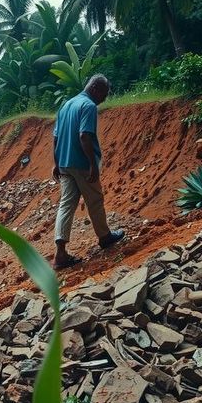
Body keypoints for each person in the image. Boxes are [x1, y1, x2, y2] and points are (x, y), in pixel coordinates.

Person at [51, 74, 125, 270]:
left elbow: (56, 138)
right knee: (94, 199)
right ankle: (105, 237)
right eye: (105, 93)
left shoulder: (66, 105)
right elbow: (84, 136)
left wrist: (56, 163)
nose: (105, 99)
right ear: (95, 89)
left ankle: (60, 254)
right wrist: (92, 164)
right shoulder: (88, 106)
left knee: (66, 205)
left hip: (64, 164)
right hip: (81, 163)